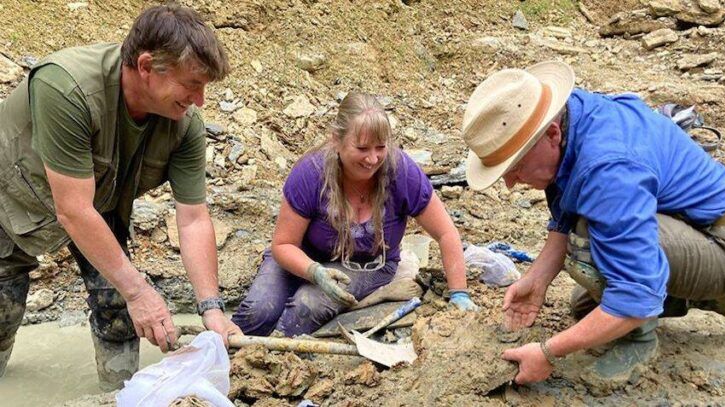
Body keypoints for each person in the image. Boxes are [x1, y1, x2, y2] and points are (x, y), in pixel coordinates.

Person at [460, 61, 725, 386]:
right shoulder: (569, 120)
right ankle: (712, 296)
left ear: (551, 134)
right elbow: (566, 211)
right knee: (584, 306)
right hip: (691, 229)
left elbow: (632, 295)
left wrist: (548, 352)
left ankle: (641, 341)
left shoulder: (606, 169)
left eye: (515, 166)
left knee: (588, 243)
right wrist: (536, 279)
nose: (509, 184)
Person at [0, 4, 243, 391]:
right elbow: (73, 210)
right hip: (13, 198)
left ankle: (121, 394)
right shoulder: (66, 88)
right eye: (192, 85)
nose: (200, 100)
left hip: (101, 202)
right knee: (2, 309)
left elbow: (193, 218)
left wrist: (210, 308)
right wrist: (140, 291)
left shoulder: (184, 126)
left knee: (119, 308)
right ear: (146, 66)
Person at [232, 92, 477, 337]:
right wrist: (315, 272)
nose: (373, 159)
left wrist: (459, 294)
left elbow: (446, 232)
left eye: (380, 147)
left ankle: (279, 360)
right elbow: (284, 244)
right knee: (258, 312)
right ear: (336, 141)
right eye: (362, 148)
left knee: (307, 306)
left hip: (367, 265)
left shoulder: (400, 171)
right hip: (301, 255)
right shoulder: (311, 174)